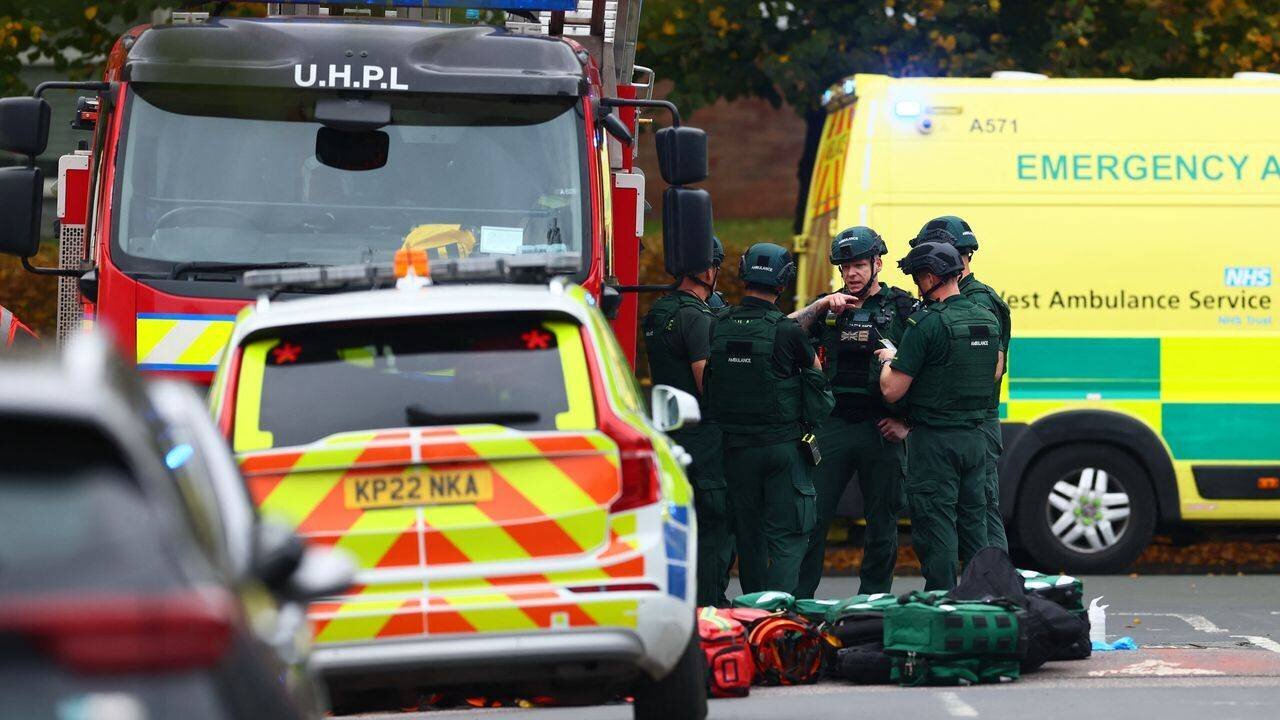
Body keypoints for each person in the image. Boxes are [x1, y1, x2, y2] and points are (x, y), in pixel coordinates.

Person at [789, 227, 916, 597]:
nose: (852, 274)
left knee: (883, 525)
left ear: (878, 263)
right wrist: (821, 306)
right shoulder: (828, 307)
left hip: (882, 428)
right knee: (812, 520)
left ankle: (873, 603)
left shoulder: (904, 307)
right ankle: (800, 605)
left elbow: (927, 367)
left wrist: (907, 422)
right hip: (833, 426)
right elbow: (779, 333)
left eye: (859, 265)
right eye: (846, 267)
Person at [874, 241, 1003, 591]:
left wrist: (889, 361)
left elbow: (892, 390)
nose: (918, 286)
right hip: (976, 438)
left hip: (935, 442)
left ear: (930, 277)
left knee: (937, 528)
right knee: (975, 524)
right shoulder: (987, 319)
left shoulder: (927, 324)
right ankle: (986, 602)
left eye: (918, 279)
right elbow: (993, 371)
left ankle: (943, 605)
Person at [705, 243, 829, 596]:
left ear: (743, 274)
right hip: (782, 450)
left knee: (749, 535)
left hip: (735, 450)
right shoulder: (787, 331)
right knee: (789, 535)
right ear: (783, 280)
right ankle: (776, 613)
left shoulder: (720, 325)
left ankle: (751, 612)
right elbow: (818, 383)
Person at [912, 217, 1011, 556]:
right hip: (962, 424)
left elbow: (992, 369)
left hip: (973, 423)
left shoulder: (979, 301)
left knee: (981, 515)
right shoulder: (952, 299)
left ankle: (995, 590)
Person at [642, 235, 732, 606]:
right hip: (705, 437)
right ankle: (710, 609)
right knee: (712, 528)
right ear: (705, 269)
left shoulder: (659, 313)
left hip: (671, 432)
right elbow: (706, 382)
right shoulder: (696, 317)